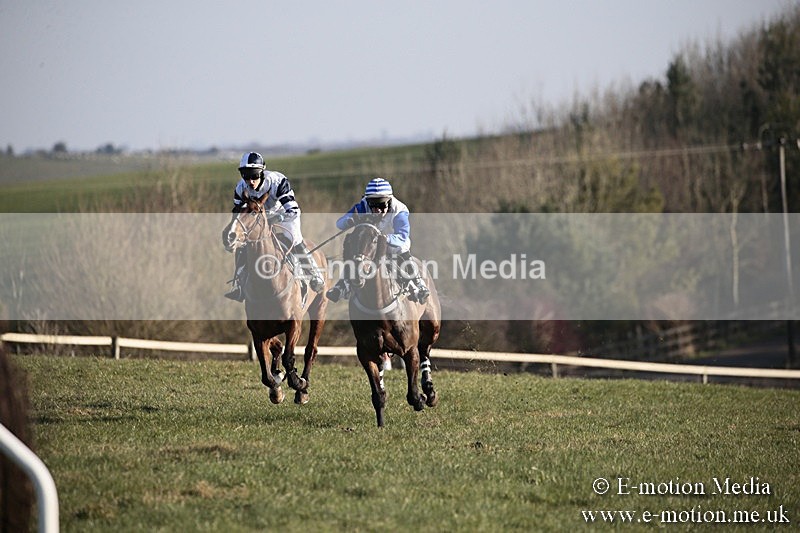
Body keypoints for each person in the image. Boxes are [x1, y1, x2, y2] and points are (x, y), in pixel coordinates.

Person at [225, 151, 324, 301]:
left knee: (295, 238)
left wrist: (278, 217)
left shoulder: (277, 181)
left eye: (254, 175)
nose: (250, 181)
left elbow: (293, 210)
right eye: (246, 175)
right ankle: (239, 286)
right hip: (258, 219)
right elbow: (238, 214)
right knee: (243, 244)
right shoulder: (240, 188)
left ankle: (314, 275)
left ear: (262, 172)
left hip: (284, 215)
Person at [326, 177, 430, 304]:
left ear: (389, 201)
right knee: (352, 245)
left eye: (381, 205)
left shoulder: (400, 210)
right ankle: (342, 285)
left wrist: (385, 238)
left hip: (393, 242)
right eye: (373, 205)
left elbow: (402, 236)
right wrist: (350, 220)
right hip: (371, 245)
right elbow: (340, 224)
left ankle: (418, 283)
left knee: (402, 248)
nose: (376, 210)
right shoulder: (363, 205)